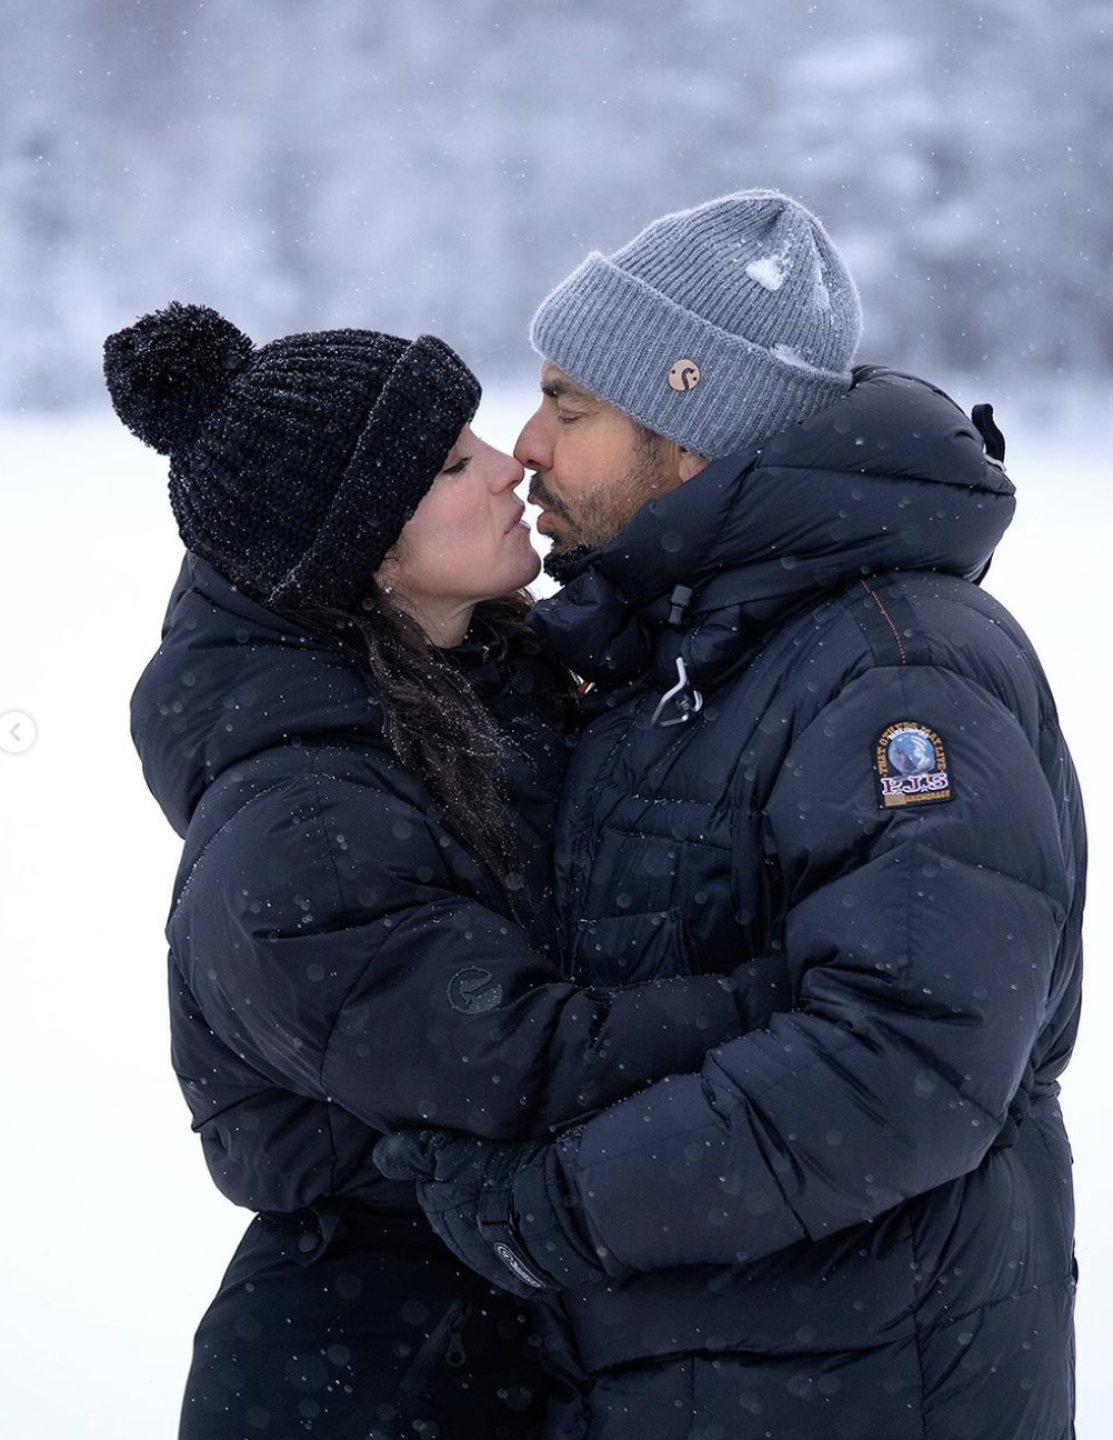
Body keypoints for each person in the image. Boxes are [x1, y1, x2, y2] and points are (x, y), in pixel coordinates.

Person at [379, 191, 1085, 1440]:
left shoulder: (893, 668)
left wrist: (551, 1211)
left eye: (570, 405)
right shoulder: (688, 648)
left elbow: (905, 1059)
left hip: (853, 1382)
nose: (526, 445)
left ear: (692, 431)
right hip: (716, 1370)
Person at [108, 303, 785, 1440]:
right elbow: (526, 1061)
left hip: (503, 1331)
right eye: (450, 463)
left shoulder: (477, 689)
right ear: (366, 547)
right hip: (370, 1375)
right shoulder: (301, 828)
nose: (510, 459)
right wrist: (812, 1000)